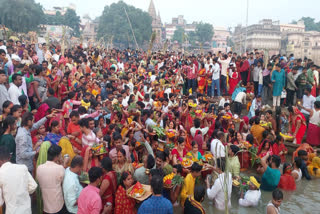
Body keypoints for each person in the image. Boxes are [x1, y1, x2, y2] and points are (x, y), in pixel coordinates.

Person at [0, 146, 37, 214]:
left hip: (11, 211)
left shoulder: (1, 173)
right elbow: (33, 186)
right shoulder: (22, 168)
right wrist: (22, 192)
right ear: (10, 157)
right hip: (26, 210)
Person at [36, 145, 67, 214]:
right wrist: (64, 163)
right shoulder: (59, 168)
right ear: (57, 156)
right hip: (58, 204)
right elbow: (63, 183)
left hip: (46, 205)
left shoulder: (39, 168)